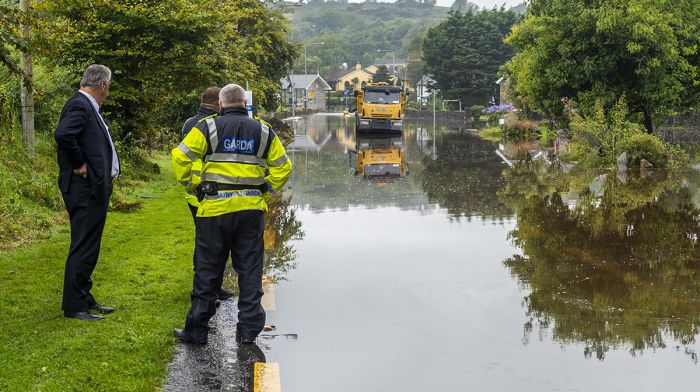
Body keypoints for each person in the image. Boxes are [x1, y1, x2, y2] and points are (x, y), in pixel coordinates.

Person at [172, 84, 292, 344]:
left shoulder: (207, 127)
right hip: (250, 212)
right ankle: (248, 331)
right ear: (244, 104)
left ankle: (197, 331)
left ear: (221, 103)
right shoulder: (263, 130)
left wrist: (192, 184)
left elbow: (180, 157)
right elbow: (283, 167)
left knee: (207, 270)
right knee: (249, 270)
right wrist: (266, 189)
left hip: (214, 210)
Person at [54, 64, 119, 321]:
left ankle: (84, 296)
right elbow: (63, 135)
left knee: (89, 245)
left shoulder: (86, 105)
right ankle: (74, 305)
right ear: (102, 85)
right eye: (108, 87)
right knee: (84, 245)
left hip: (91, 188)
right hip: (85, 189)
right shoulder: (81, 105)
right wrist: (79, 162)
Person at [180, 87, 233, 301]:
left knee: (206, 240)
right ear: (218, 103)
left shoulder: (189, 123)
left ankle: (210, 287)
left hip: (193, 192)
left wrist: (188, 183)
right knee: (214, 244)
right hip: (209, 191)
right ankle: (206, 289)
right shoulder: (213, 125)